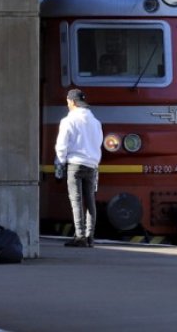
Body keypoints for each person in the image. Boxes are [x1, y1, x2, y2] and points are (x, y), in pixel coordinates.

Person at [54, 89, 103, 248]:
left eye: (68, 102)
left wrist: (60, 162)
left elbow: (62, 145)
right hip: (92, 165)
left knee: (76, 200)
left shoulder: (68, 121)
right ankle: (90, 237)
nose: (67, 104)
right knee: (90, 200)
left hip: (75, 164)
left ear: (72, 102)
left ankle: (80, 237)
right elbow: (98, 142)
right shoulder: (95, 122)